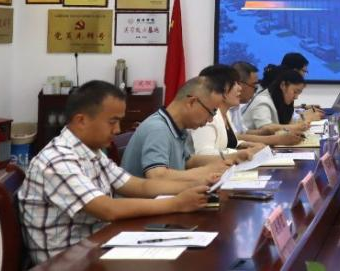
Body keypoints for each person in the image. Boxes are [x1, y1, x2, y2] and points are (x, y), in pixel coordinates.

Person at [18, 81, 209, 264]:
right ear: (81, 120)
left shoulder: (92, 152)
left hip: (96, 246)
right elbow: (108, 209)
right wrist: (176, 203)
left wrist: (196, 186)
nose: (117, 130)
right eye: (112, 122)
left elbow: (139, 185)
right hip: (68, 262)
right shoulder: (57, 160)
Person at [120, 76, 243, 181]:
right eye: (211, 112)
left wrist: (230, 158)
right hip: (145, 201)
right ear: (192, 102)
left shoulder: (177, 126)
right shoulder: (158, 129)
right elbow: (157, 176)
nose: (211, 119)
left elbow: (188, 161)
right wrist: (206, 171)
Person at [202, 63, 304, 148]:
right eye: (253, 85)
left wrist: (265, 134)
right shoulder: (211, 116)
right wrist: (275, 139)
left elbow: (241, 134)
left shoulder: (230, 110)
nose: (239, 88)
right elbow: (236, 137)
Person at [190, 65, 266, 157]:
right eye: (234, 84)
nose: (240, 88)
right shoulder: (206, 116)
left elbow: (230, 143)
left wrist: (248, 145)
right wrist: (241, 153)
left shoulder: (226, 113)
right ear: (220, 88)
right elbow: (204, 154)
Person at [241, 65, 316, 130]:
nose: (296, 97)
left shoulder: (281, 101)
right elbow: (265, 127)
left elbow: (286, 124)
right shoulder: (263, 100)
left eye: (299, 93)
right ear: (283, 85)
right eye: (295, 92)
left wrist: (303, 120)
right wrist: (297, 126)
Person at [280, 52, 324, 121]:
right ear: (295, 71)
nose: (304, 75)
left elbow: (285, 111)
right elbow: (282, 120)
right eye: (304, 71)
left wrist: (303, 108)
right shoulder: (280, 88)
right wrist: (305, 118)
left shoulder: (281, 83)